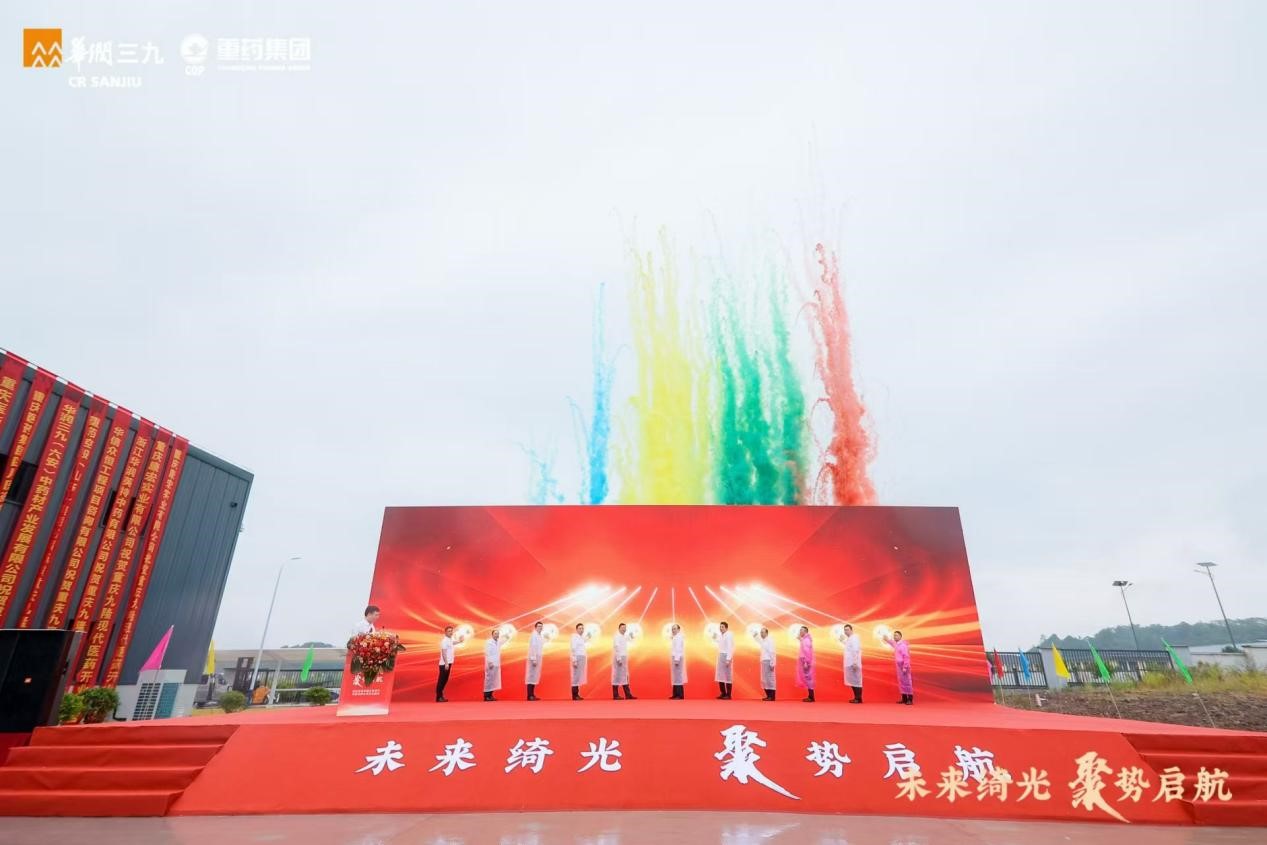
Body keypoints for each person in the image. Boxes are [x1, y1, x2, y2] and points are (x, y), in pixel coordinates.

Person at [884, 630, 914, 704]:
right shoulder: (897, 644)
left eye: (896, 635)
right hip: (899, 667)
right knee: (901, 682)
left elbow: (906, 657)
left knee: (907, 682)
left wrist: (905, 667)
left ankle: (910, 699)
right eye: (894, 635)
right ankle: (904, 698)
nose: (895, 637)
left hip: (904, 666)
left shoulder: (903, 645)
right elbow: (892, 642)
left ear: (900, 636)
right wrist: (887, 639)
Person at [611, 622, 636, 699]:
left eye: (625, 628)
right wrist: (619, 658)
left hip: (624, 657)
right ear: (619, 628)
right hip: (619, 657)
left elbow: (631, 639)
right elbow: (616, 647)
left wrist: (632, 635)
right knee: (617, 676)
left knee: (625, 676)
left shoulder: (624, 636)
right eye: (622, 628)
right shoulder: (617, 636)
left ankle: (628, 694)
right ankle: (615, 695)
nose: (624, 629)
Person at [843, 623, 863, 703]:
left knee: (856, 681)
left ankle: (858, 698)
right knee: (852, 681)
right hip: (850, 663)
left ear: (851, 630)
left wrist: (855, 662)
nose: (846, 631)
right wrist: (843, 641)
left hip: (853, 663)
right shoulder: (850, 638)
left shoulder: (854, 638)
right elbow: (849, 648)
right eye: (845, 630)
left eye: (847, 630)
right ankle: (856, 697)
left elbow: (855, 650)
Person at [715, 621, 734, 699]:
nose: (721, 628)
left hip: (726, 656)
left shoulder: (729, 635)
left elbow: (730, 647)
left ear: (726, 628)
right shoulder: (720, 636)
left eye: (722, 627)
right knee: (720, 675)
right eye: (720, 627)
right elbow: (719, 643)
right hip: (720, 655)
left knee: (727, 675)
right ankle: (723, 693)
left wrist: (728, 659)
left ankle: (728, 694)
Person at [526, 621, 545, 700]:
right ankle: (529, 695)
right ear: (535, 627)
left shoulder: (539, 635)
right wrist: (534, 658)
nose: (540, 628)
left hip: (538, 657)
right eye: (539, 626)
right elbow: (533, 647)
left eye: (541, 626)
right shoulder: (534, 635)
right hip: (533, 658)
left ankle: (532, 694)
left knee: (535, 676)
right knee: (531, 676)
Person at [483, 628, 502, 701]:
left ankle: (490, 695)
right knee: (489, 680)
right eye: (495, 634)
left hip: (496, 663)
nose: (497, 635)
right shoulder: (489, 642)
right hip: (490, 663)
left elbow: (504, 641)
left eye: (498, 634)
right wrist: (490, 662)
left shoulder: (498, 642)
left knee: (493, 680)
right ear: (492, 635)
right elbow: (487, 653)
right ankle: (486, 696)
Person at [436, 624, 455, 703]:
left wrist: (460, 641)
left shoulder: (450, 640)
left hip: (449, 663)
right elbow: (444, 652)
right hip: (444, 664)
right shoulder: (444, 641)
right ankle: (438, 697)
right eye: (449, 631)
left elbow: (453, 643)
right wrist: (446, 663)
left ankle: (440, 696)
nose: (450, 632)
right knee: (442, 680)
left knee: (445, 680)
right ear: (445, 632)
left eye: (451, 631)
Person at [797, 625, 815, 702]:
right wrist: (801, 640)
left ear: (805, 632)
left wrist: (806, 662)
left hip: (806, 662)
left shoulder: (806, 640)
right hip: (805, 661)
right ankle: (810, 696)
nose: (800, 632)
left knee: (808, 678)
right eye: (800, 630)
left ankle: (811, 697)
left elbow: (807, 652)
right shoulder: (805, 639)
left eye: (801, 630)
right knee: (808, 678)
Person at [570, 622, 588, 700]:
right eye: (580, 628)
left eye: (582, 628)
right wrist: (574, 660)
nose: (581, 630)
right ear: (576, 629)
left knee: (579, 676)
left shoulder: (581, 638)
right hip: (577, 658)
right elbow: (573, 649)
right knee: (576, 676)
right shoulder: (574, 637)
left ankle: (577, 694)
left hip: (582, 657)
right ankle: (574, 695)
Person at [669, 623, 686, 699]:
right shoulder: (675, 637)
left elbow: (678, 649)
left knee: (678, 676)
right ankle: (675, 694)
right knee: (675, 676)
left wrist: (676, 659)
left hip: (677, 658)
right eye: (672, 629)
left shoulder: (679, 637)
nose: (673, 630)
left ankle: (680, 695)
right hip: (675, 657)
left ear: (679, 630)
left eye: (675, 629)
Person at [759, 626, 776, 701]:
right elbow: (757, 639)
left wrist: (772, 663)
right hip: (764, 661)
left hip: (768, 661)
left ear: (766, 633)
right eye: (761, 632)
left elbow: (772, 652)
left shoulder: (770, 640)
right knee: (764, 679)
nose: (761, 634)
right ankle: (768, 695)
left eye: (762, 632)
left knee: (770, 678)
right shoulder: (763, 641)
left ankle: (772, 696)